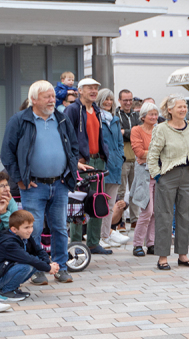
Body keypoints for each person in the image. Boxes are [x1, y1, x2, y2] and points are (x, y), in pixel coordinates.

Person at [1, 80, 86, 284]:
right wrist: (20, 179)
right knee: (34, 229)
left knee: (59, 227)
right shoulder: (20, 120)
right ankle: (37, 269)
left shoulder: (61, 118)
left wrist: (70, 172)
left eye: (52, 96)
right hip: (33, 186)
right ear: (33, 99)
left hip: (60, 184)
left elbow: (74, 148)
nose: (52, 99)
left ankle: (61, 267)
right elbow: (7, 153)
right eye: (47, 96)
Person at [147, 95, 189, 270]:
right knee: (164, 215)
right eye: (179, 106)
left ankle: (183, 255)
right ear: (170, 110)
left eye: (185, 106)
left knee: (185, 215)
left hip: (187, 175)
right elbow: (152, 154)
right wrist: (157, 175)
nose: (183, 109)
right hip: (167, 175)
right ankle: (162, 257)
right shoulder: (162, 129)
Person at [65, 78, 112, 256]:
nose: (93, 91)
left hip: (98, 160)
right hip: (81, 162)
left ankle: (93, 242)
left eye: (95, 88)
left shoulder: (97, 110)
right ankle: (76, 244)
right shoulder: (72, 109)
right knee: (78, 202)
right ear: (80, 91)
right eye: (89, 88)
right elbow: (67, 137)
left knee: (98, 199)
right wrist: (74, 160)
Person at [0, 210, 60, 302]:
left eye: (31, 226)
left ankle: (12, 288)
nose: (30, 230)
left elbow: (38, 250)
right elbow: (28, 258)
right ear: (14, 229)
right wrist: (48, 268)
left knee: (37, 261)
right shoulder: (9, 243)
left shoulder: (23, 236)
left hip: (4, 271)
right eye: (26, 227)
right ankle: (6, 291)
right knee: (26, 266)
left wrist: (49, 263)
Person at [96, 89, 130, 249]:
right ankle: (97, 236)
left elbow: (119, 143)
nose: (108, 102)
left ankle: (106, 235)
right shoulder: (95, 118)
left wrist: (120, 157)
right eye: (105, 99)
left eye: (110, 99)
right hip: (101, 166)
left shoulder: (115, 119)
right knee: (98, 203)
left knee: (110, 204)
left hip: (116, 165)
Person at [130, 102, 159, 257]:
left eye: (155, 114)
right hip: (144, 175)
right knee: (146, 211)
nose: (154, 117)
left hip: (158, 174)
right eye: (151, 114)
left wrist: (150, 154)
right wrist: (156, 153)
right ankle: (137, 244)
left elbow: (166, 150)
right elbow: (139, 153)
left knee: (155, 212)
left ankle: (151, 243)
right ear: (143, 116)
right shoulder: (136, 130)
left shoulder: (159, 130)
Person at [116, 89, 140, 227]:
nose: (128, 102)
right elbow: (119, 134)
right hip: (123, 158)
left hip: (136, 158)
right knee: (121, 191)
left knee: (135, 190)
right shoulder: (116, 115)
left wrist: (127, 132)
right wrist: (131, 133)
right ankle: (120, 220)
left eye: (130, 100)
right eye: (125, 100)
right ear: (119, 101)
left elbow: (140, 132)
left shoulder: (136, 115)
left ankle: (135, 219)